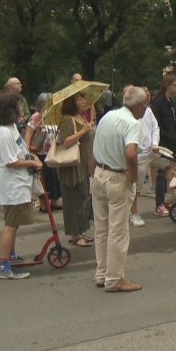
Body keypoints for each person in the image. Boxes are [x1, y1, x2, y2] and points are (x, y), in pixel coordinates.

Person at [91, 86, 146, 292]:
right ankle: (114, 278)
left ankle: (102, 272)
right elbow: (131, 153)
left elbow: (94, 145)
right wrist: (133, 176)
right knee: (118, 230)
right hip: (117, 176)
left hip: (100, 172)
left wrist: (92, 173)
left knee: (102, 228)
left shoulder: (108, 117)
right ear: (139, 106)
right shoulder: (133, 123)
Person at [0, 92, 41, 279]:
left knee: (14, 222)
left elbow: (20, 150)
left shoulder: (11, 127)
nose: (22, 109)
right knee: (11, 224)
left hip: (19, 183)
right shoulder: (3, 133)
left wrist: (31, 156)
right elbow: (10, 161)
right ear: (10, 110)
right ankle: (4, 267)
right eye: (19, 106)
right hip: (12, 185)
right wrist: (32, 162)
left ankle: (10, 254)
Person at [56, 92, 96, 247]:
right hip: (72, 165)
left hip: (83, 164)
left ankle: (80, 230)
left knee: (83, 197)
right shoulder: (67, 119)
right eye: (79, 99)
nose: (83, 101)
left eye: (83, 98)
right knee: (74, 199)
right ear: (71, 103)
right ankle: (75, 233)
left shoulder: (82, 118)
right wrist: (84, 131)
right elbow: (65, 142)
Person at [150, 74, 176, 217]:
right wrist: (163, 137)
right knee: (161, 172)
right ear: (167, 85)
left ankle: (167, 197)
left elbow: (175, 121)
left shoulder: (171, 102)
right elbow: (156, 123)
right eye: (174, 85)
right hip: (163, 141)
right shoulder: (158, 102)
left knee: (171, 169)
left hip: (173, 140)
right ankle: (159, 203)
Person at [25, 93, 62, 212]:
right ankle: (43, 203)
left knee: (54, 178)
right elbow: (29, 132)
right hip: (40, 153)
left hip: (53, 152)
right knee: (44, 179)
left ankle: (54, 200)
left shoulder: (55, 115)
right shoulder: (37, 116)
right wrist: (27, 149)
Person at [131, 87, 159, 227]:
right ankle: (133, 212)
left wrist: (154, 143)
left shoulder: (148, 111)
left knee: (168, 164)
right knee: (134, 186)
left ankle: (166, 198)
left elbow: (155, 127)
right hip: (138, 154)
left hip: (150, 151)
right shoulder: (130, 114)